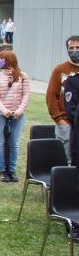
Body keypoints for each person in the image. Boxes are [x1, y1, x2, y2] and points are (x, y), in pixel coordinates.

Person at [0, 49, 31, 183]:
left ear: (8, 60)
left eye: (1, 58)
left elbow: (26, 94)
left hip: (18, 115)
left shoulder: (23, 76)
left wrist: (19, 111)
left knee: (14, 143)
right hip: (2, 115)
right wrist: (4, 111)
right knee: (2, 142)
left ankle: (11, 170)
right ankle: (3, 170)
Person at [46, 35, 79, 164]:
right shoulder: (59, 70)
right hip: (66, 123)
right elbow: (51, 96)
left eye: (78, 47)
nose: (75, 50)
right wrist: (59, 119)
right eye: (72, 48)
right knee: (66, 161)